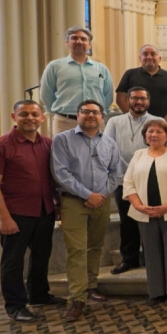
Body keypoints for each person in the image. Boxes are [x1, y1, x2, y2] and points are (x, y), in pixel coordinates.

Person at [51, 100, 125, 321]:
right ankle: (76, 298)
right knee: (77, 250)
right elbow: (61, 173)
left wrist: (100, 195)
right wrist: (87, 195)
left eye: (95, 112)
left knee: (95, 247)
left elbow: (117, 172)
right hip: (74, 202)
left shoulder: (108, 143)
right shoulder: (63, 140)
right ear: (78, 115)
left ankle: (91, 285)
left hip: (101, 201)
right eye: (85, 112)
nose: (90, 116)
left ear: (102, 117)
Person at [0, 101, 63, 323]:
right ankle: (16, 305)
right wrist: (4, 218)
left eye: (35, 114)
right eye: (24, 114)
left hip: (44, 209)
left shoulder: (47, 143)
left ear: (42, 118)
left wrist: (57, 204)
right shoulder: (3, 145)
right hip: (16, 212)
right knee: (13, 261)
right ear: (13, 116)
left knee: (41, 255)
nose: (30, 118)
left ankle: (39, 294)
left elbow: (52, 178)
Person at [122, 120, 167, 305]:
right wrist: (138, 206)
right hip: (145, 212)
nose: (154, 134)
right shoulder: (138, 155)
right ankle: (156, 291)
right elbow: (128, 183)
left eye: (159, 131)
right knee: (151, 252)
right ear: (145, 136)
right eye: (150, 131)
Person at [104, 87, 163, 275]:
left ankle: (150, 257)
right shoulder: (115, 121)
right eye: (135, 98)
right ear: (127, 100)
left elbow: (163, 150)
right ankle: (128, 259)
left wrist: (142, 169)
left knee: (151, 221)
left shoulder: (158, 122)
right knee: (127, 221)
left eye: (143, 99)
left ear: (149, 101)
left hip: (151, 180)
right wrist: (129, 170)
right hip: (123, 180)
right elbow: (108, 147)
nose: (139, 102)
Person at [40, 26, 114, 135]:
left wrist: (99, 113)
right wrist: (60, 112)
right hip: (65, 122)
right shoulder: (55, 67)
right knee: (64, 152)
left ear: (89, 44)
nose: (79, 41)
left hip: (94, 121)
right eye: (74, 38)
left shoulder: (101, 69)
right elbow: (46, 94)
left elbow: (108, 94)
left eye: (83, 39)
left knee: (96, 151)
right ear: (67, 42)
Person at [116, 44, 167, 121]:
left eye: (153, 54)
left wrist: (164, 121)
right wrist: (133, 118)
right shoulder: (130, 74)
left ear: (159, 58)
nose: (149, 57)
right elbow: (120, 99)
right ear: (140, 58)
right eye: (145, 54)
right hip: (134, 122)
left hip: (164, 124)